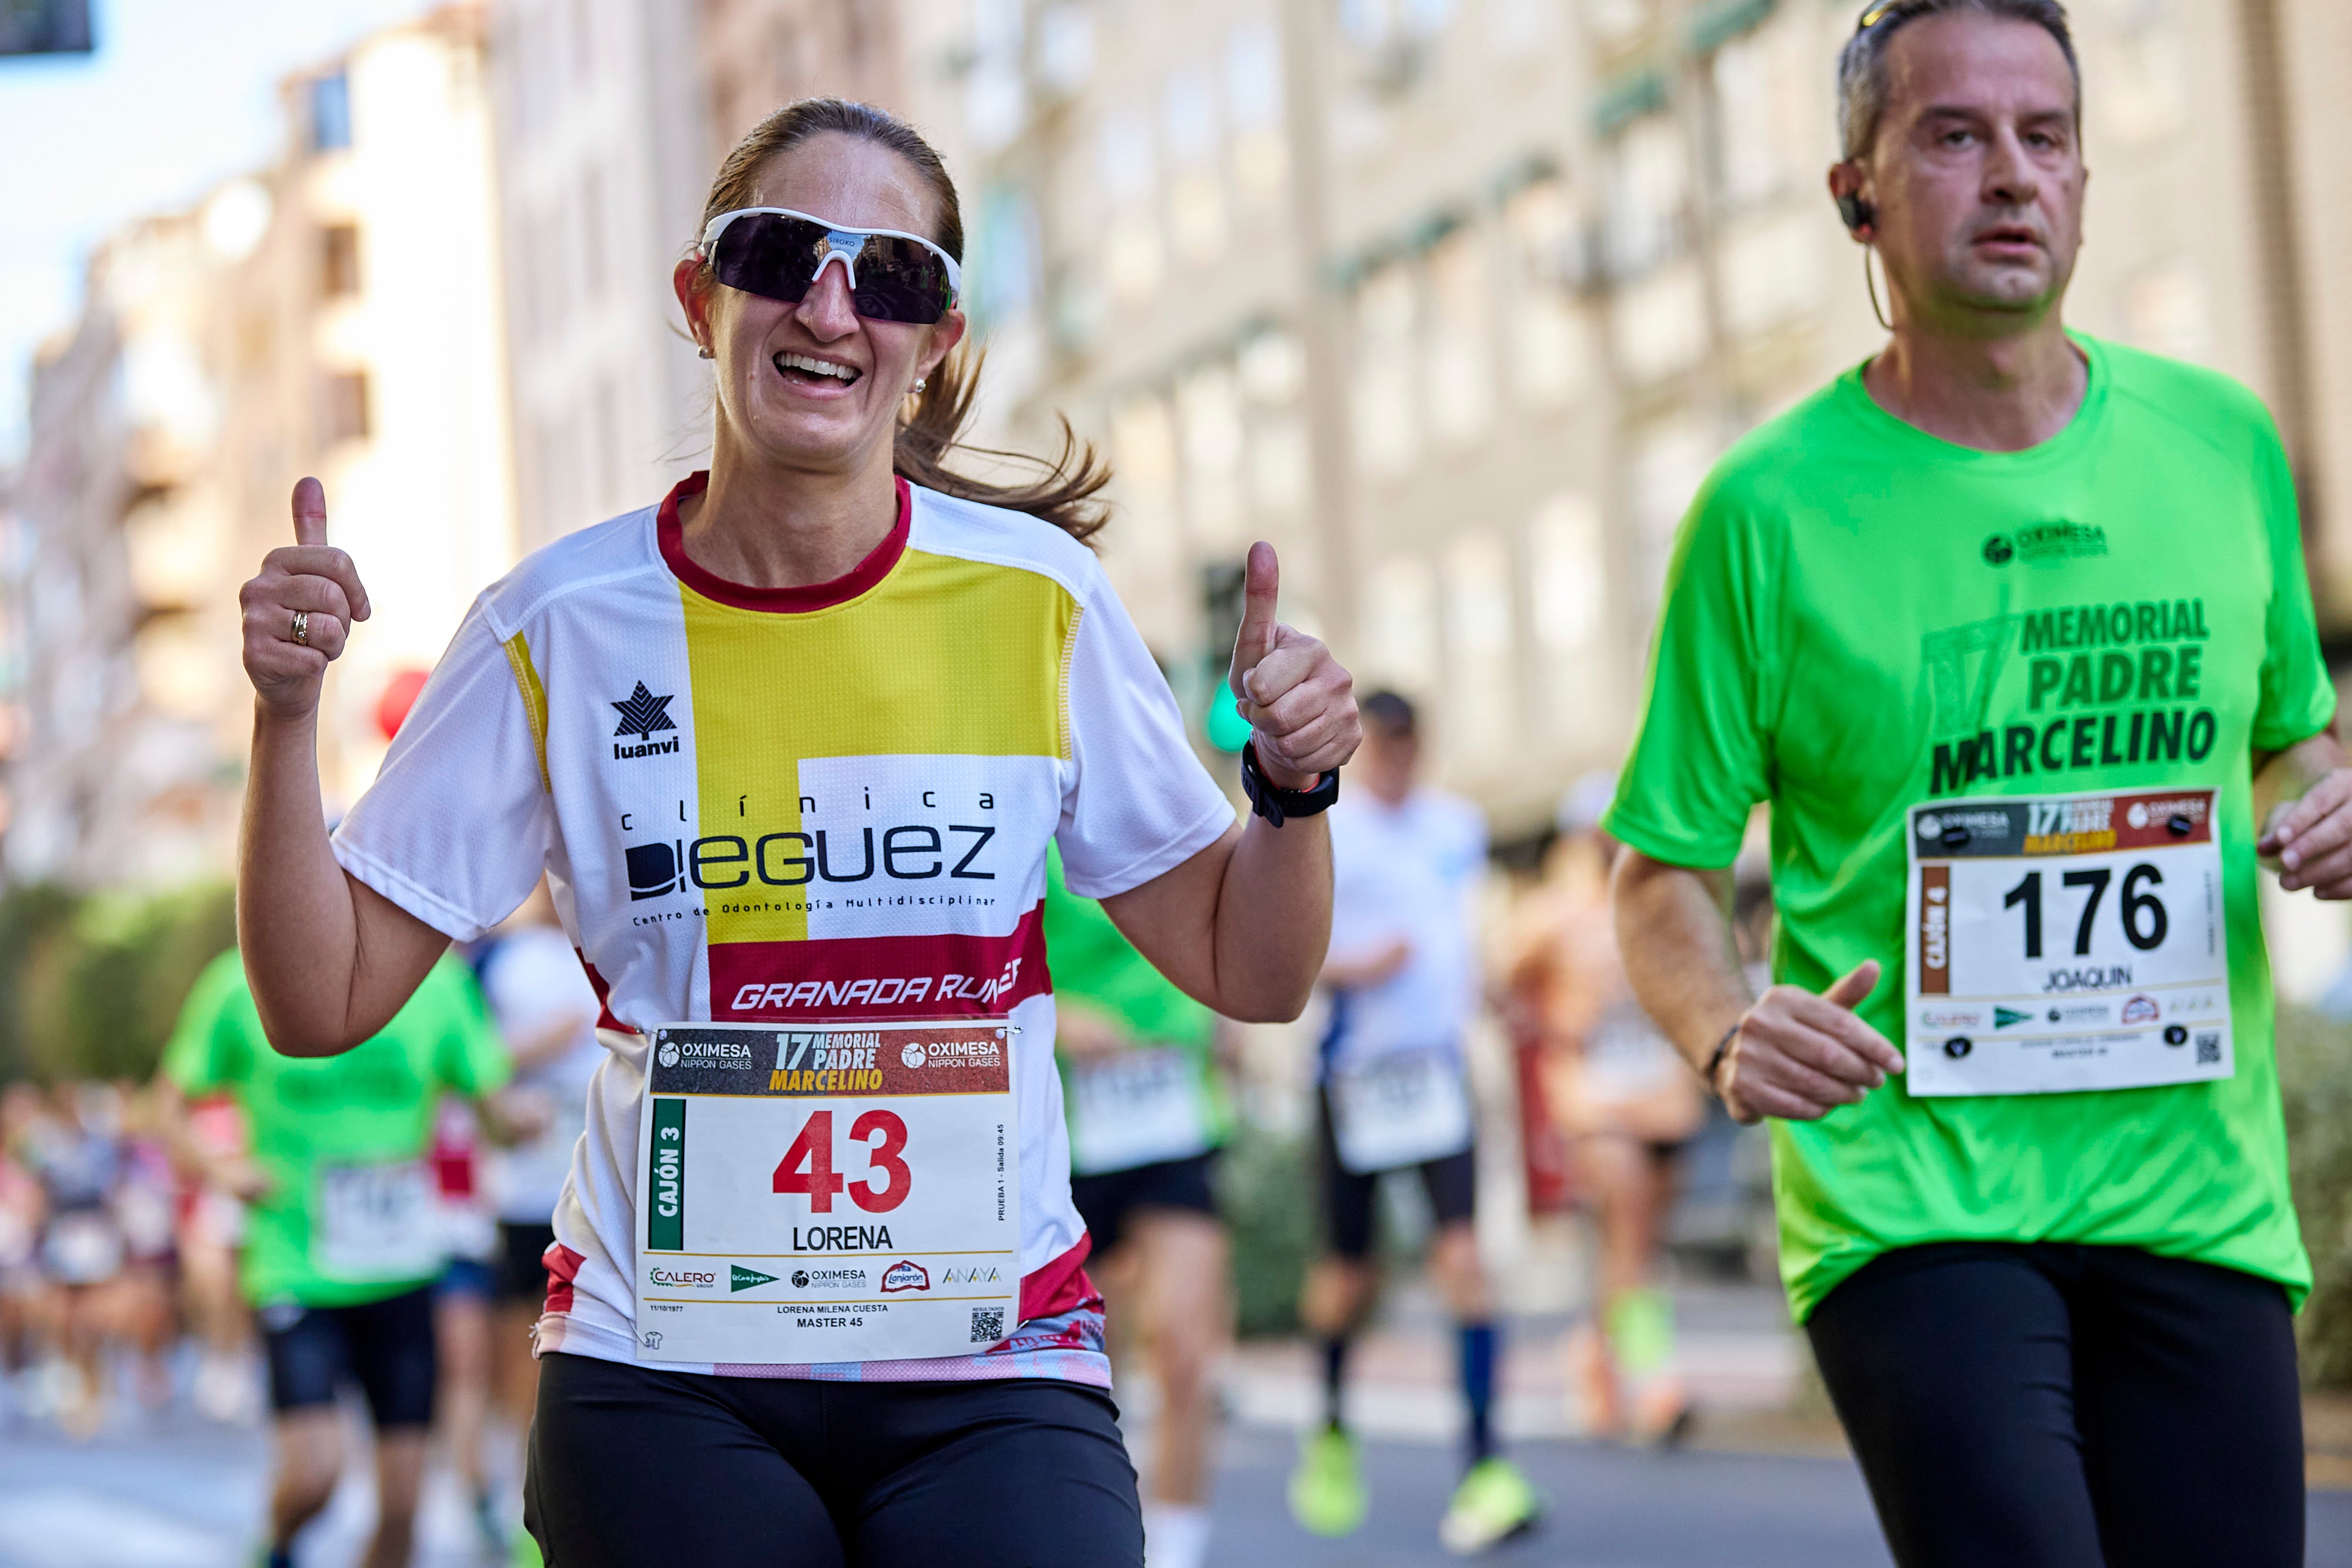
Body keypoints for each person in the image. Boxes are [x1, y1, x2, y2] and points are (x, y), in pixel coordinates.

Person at [232, 96, 1361, 1568]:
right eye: (781, 252)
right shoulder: (554, 628)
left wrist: (1290, 789)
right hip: (665, 1368)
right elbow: (318, 1002)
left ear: (933, 341)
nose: (831, 303)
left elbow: (1248, 965)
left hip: (991, 1357)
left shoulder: (1041, 602)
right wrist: (280, 719)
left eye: (890, 275)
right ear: (701, 300)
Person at [1608, 4, 2341, 1563]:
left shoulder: (2222, 446)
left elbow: (2289, 727)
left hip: (2194, 1184)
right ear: (1854, 194)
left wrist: (2327, 791)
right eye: (1955, 136)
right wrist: (1725, 1022)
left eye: (2045, 135)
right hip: (1912, 1190)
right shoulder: (1766, 510)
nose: (2012, 175)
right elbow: (1661, 861)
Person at [159, 948, 512, 1568]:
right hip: (295, 1269)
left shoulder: (440, 981)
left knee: (404, 1508)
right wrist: (221, 1171)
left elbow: (493, 1108)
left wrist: (532, 1122)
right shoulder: (240, 980)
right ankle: (277, 1547)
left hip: (404, 1270)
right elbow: (165, 1108)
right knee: (314, 1477)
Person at [1289, 691, 1539, 1554]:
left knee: (1464, 1259)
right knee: (1347, 1275)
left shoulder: (1458, 827)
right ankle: (1328, 1423)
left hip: (1437, 1073)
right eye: (1384, 747)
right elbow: (1294, 951)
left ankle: (1484, 1466)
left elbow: (1464, 936)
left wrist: (1501, 993)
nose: (1398, 761)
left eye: (1409, 746)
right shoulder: (1335, 829)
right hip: (1356, 1076)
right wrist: (1356, 965)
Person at [1043, 847, 1232, 1568]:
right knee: (1094, 1364)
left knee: (1186, 1350)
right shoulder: (1018, 788)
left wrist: (1232, 1006)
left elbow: (1228, 910)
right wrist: (1057, 1014)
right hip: (1069, 1123)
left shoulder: (1168, 790)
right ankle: (1101, 1533)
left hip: (1172, 1110)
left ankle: (1178, 1551)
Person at [1502, 783, 1700, 1445]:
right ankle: (1656, 1383)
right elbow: (1503, 984)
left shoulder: (1664, 901)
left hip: (1664, 1100)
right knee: (1632, 1230)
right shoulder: (1551, 915)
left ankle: (1593, 1350)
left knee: (1639, 1242)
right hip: (1594, 1101)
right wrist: (1553, 1030)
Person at [478, 880, 604, 1565]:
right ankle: (517, 1497)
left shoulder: (611, 937)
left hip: (602, 1196)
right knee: (522, 1356)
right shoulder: (500, 960)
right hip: (523, 1196)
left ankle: (563, 1501)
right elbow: (471, 1065)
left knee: (582, 1350)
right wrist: (551, 1038)